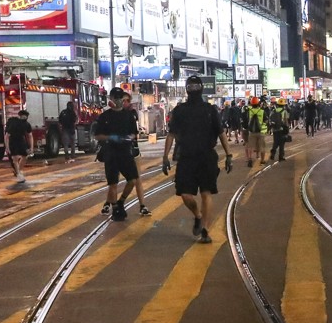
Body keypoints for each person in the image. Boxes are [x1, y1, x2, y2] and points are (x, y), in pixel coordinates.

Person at [162, 74, 235, 244]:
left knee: (206, 193)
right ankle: (198, 215)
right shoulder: (179, 111)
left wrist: (229, 155)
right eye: (191, 87)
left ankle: (205, 230)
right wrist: (165, 157)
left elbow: (221, 134)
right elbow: (171, 134)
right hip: (186, 157)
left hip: (206, 157)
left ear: (200, 88)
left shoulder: (210, 110)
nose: (193, 90)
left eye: (196, 87)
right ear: (187, 89)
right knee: (186, 195)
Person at [94, 88, 147, 220]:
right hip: (111, 153)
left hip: (125, 152)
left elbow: (135, 133)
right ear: (110, 99)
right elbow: (98, 136)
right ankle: (115, 208)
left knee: (133, 180)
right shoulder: (104, 116)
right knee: (113, 184)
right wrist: (110, 138)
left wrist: (130, 137)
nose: (117, 100)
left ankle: (121, 201)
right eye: (115, 97)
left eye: (120, 97)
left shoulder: (128, 115)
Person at [4, 109, 34, 185]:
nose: (24, 118)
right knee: (15, 158)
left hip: (21, 140)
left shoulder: (27, 124)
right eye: (23, 116)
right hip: (13, 141)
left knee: (25, 156)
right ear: (20, 116)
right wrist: (7, 147)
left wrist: (31, 147)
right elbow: (7, 136)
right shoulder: (14, 124)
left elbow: (30, 136)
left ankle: (18, 171)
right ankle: (18, 174)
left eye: (25, 116)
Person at [244, 96, 268, 167]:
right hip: (261, 132)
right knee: (262, 146)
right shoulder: (262, 111)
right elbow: (266, 121)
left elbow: (246, 120)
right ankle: (262, 160)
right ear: (258, 103)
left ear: (251, 104)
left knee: (250, 146)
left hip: (251, 132)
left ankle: (250, 159)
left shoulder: (249, 111)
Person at [269, 97, 291, 162]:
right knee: (282, 143)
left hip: (275, 129)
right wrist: (287, 128)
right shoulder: (284, 111)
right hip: (282, 129)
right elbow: (286, 120)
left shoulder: (273, 111)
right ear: (284, 105)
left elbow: (270, 119)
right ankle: (280, 157)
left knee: (275, 142)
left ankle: (272, 154)